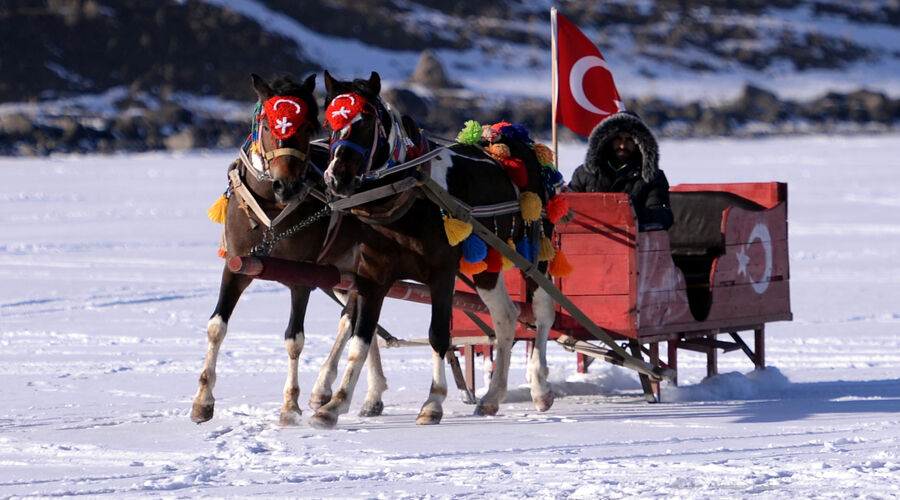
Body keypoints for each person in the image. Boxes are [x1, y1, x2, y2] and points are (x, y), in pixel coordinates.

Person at [567, 111, 674, 231]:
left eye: (629, 139)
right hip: (587, 243)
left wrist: (626, 211)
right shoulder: (585, 173)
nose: (623, 145)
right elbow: (567, 209)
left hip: (634, 244)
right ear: (608, 140)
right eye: (618, 138)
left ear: (639, 143)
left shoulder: (652, 177)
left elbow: (662, 216)